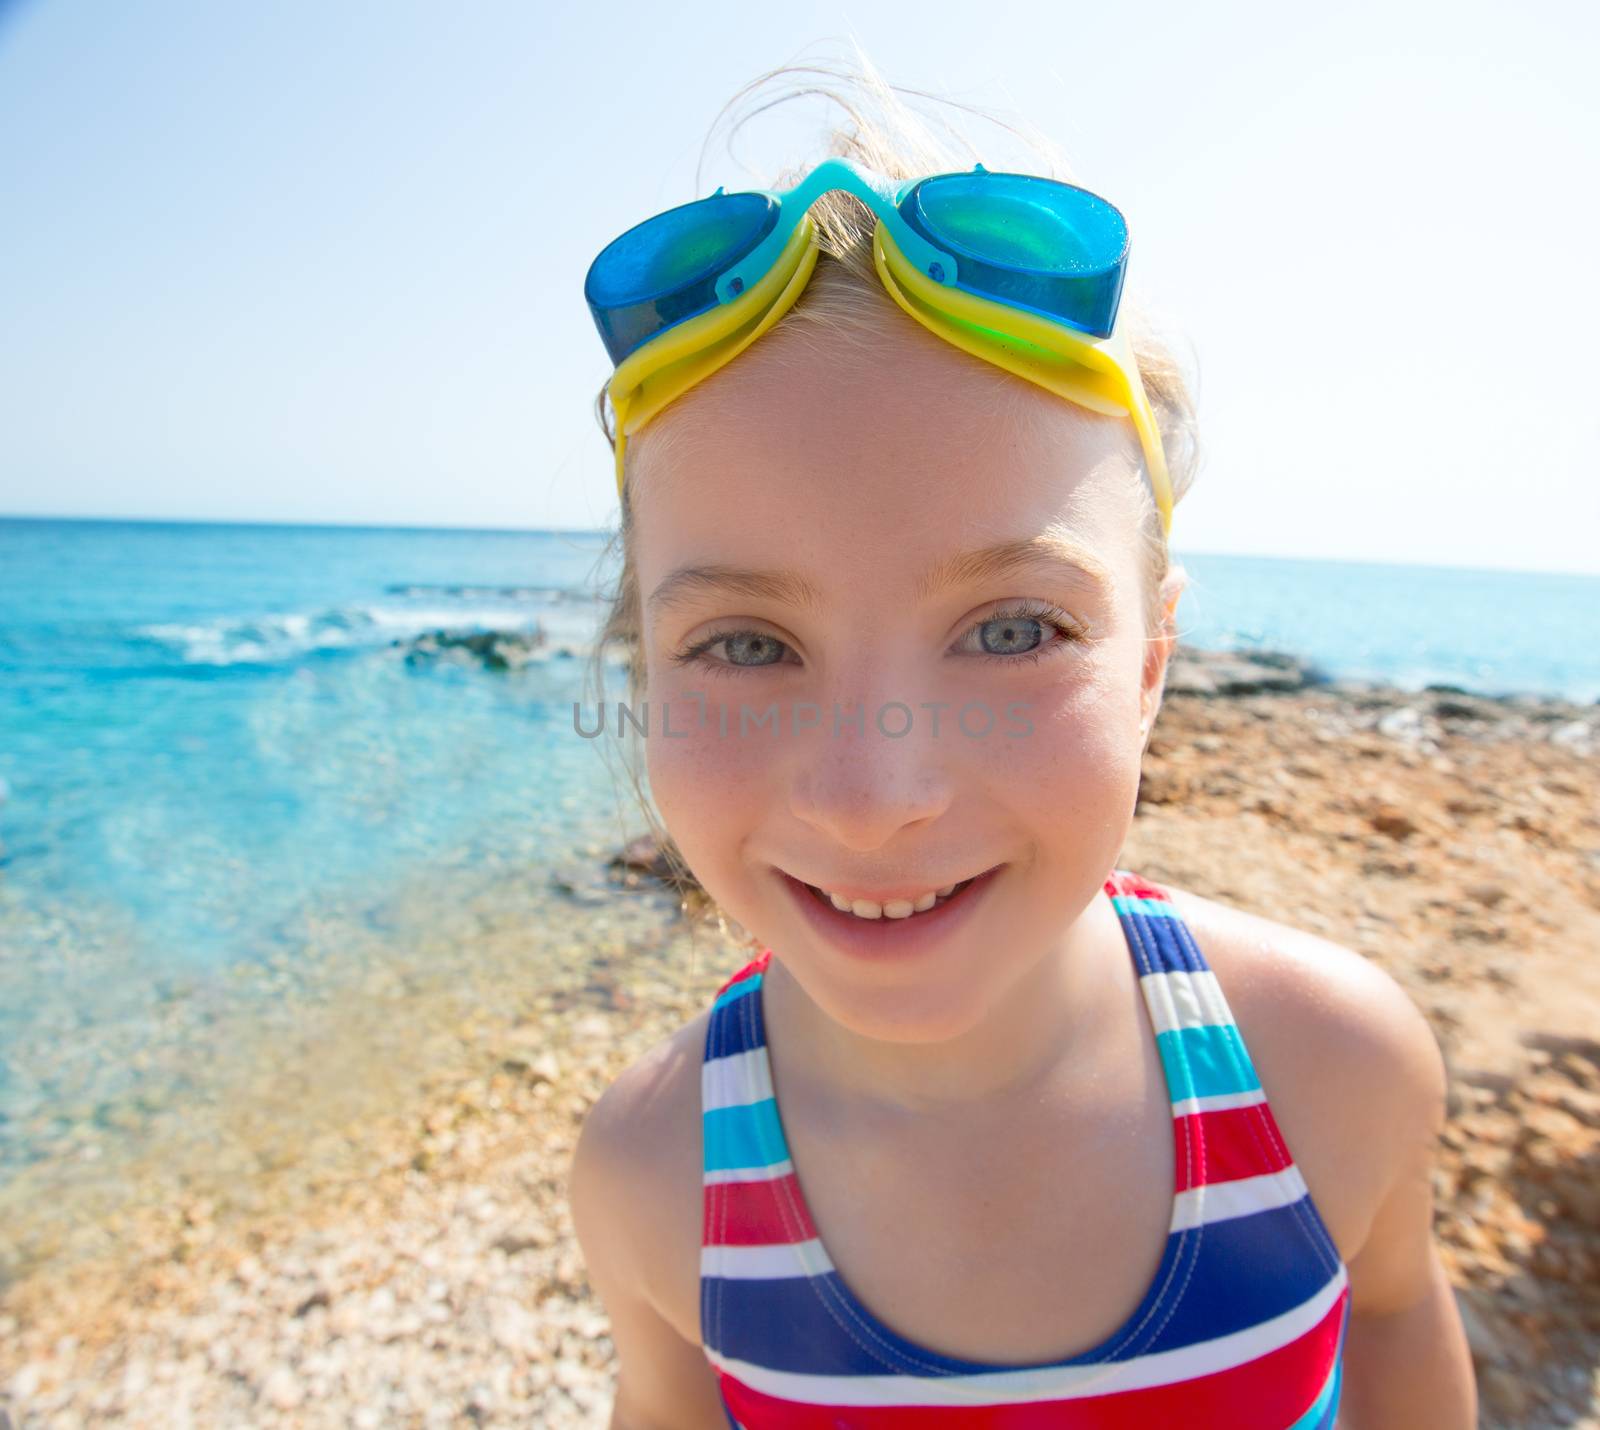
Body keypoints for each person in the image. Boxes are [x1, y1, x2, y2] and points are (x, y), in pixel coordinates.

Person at [569, 60, 1477, 1430]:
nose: (875, 799)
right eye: (747, 644)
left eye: (1011, 629)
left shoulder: (1329, 1068)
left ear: (1154, 663)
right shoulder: (652, 1177)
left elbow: (1400, 1307)